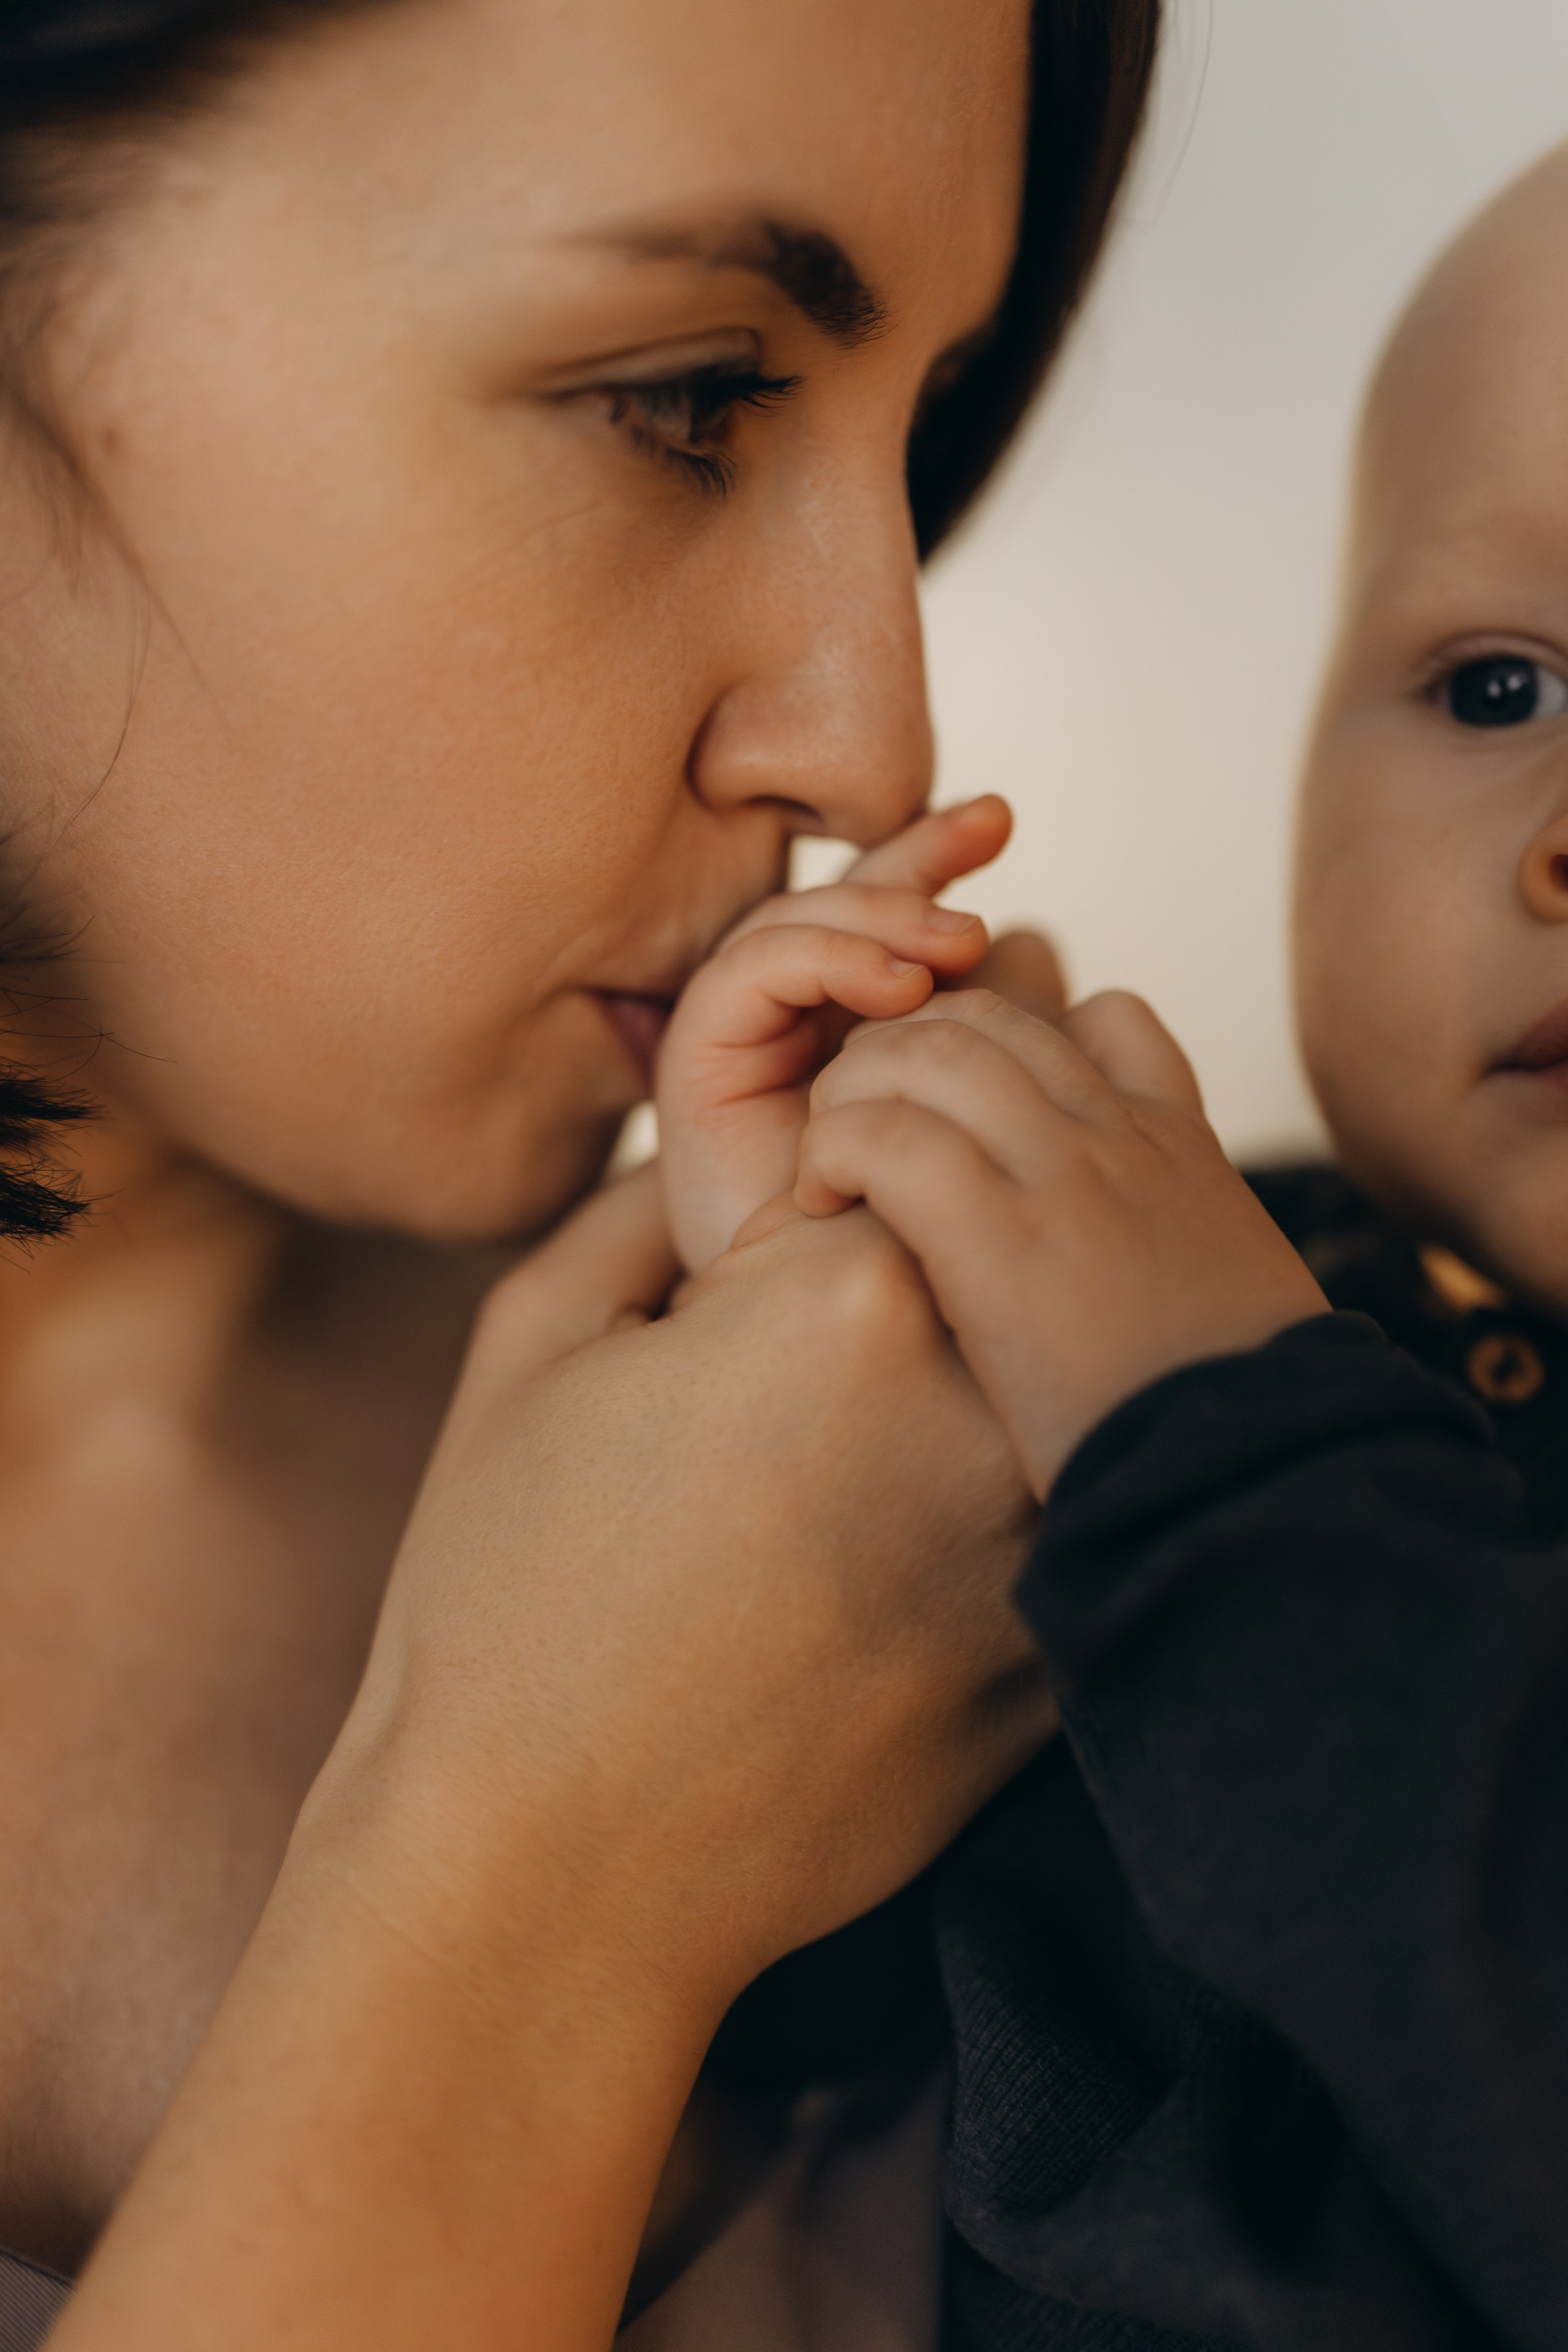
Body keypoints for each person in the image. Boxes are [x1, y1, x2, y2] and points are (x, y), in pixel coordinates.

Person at [0, 2, 1166, 2346]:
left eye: (922, 431)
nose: (873, 735)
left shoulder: (946, 1473)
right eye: (692, 395)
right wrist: (540, 1898)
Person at [737, 139, 1568, 2349]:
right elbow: (800, 2021)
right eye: (1501, 687)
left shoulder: (1215, 1374)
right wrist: (802, 1342)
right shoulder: (1226, 1282)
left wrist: (1207, 1439)